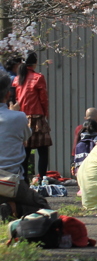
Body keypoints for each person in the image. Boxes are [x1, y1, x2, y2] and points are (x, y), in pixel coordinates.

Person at [0, 74, 50, 218]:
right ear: (8, 95)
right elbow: (26, 137)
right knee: (42, 206)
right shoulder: (19, 117)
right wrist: (14, 112)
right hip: (11, 182)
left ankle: (7, 207)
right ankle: (13, 208)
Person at [14, 52, 50, 181]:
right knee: (43, 150)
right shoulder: (38, 77)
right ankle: (42, 178)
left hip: (23, 117)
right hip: (37, 117)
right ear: (35, 63)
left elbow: (15, 99)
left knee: (26, 150)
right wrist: (45, 114)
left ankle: (24, 180)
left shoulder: (17, 79)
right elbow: (43, 99)